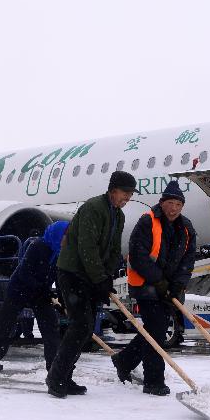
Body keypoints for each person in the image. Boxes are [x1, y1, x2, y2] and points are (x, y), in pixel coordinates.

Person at [45, 170, 136, 398]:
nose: (127, 198)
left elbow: (114, 249)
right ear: (113, 190)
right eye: (125, 193)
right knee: (80, 325)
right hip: (72, 272)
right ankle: (56, 377)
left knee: (85, 328)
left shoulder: (119, 216)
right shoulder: (93, 208)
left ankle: (64, 375)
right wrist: (99, 279)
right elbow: (88, 248)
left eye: (130, 194)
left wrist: (108, 277)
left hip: (90, 275)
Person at [111, 180, 196, 396]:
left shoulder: (186, 228)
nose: (173, 208)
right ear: (162, 203)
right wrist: (158, 281)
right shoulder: (148, 221)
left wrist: (177, 284)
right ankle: (153, 381)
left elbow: (188, 260)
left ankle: (124, 360)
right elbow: (138, 255)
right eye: (170, 202)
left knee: (153, 331)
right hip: (145, 285)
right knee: (156, 330)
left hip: (167, 288)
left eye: (178, 204)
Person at [0, 221, 69, 374]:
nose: (68, 239)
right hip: (19, 289)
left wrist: (61, 299)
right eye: (66, 236)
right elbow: (24, 273)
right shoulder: (38, 247)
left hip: (40, 293)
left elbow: (59, 277)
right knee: (4, 326)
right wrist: (42, 289)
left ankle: (55, 369)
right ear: (58, 234)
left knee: (50, 327)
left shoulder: (60, 252)